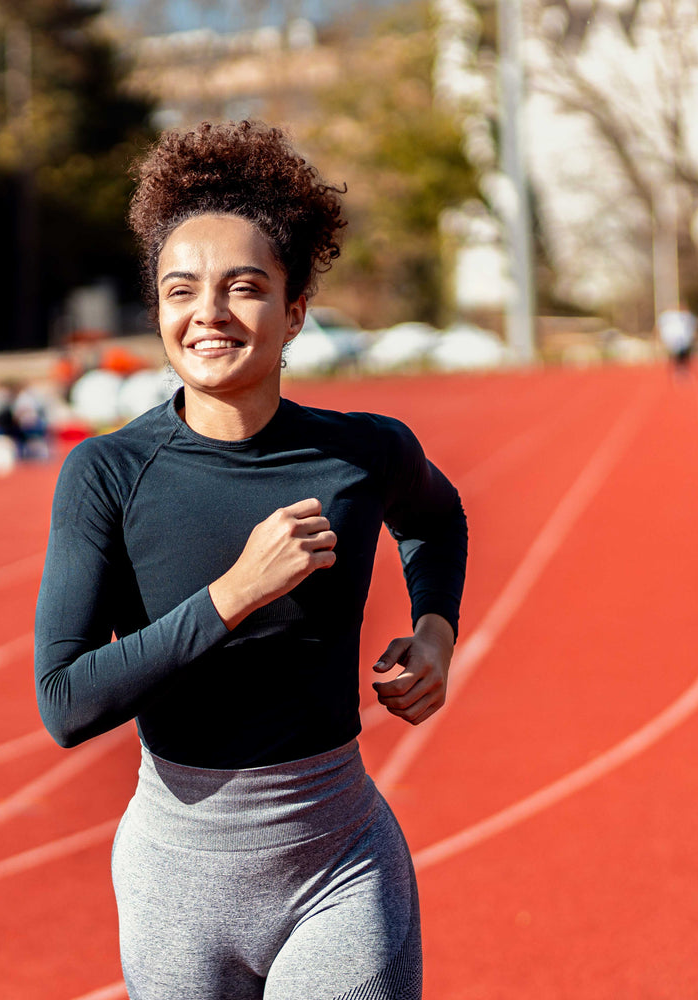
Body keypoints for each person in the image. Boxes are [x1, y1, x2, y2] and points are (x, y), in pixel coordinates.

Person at [34, 121, 467, 1000]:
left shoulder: (364, 452)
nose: (210, 314)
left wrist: (436, 628)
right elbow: (66, 703)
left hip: (338, 860)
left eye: (244, 287)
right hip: (176, 880)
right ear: (158, 311)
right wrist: (233, 594)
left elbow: (437, 515)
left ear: (295, 310)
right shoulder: (108, 473)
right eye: (181, 290)